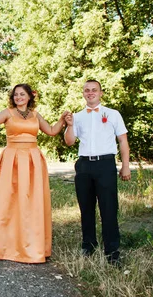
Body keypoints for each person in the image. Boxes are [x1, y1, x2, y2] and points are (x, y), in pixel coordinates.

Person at [0, 84, 69, 263]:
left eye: (22, 94)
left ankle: (30, 245)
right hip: (12, 160)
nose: (18, 97)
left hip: (33, 160)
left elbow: (52, 131)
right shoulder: (7, 112)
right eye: (16, 94)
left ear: (29, 97)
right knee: (7, 200)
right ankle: (3, 245)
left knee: (31, 202)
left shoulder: (35, 115)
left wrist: (62, 119)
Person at [64, 80, 131, 265]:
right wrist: (69, 125)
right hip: (84, 165)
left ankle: (112, 251)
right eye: (87, 90)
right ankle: (88, 245)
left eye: (94, 90)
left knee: (109, 208)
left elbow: (123, 141)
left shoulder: (112, 114)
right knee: (86, 208)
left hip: (105, 164)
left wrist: (125, 166)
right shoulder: (77, 116)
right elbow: (69, 142)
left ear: (101, 93)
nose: (90, 93)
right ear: (83, 94)